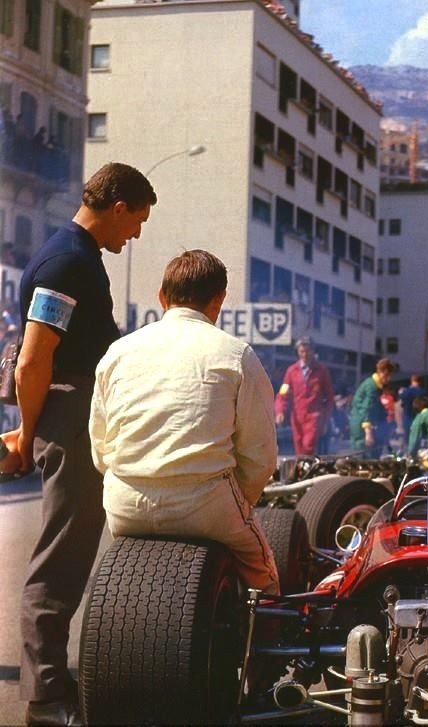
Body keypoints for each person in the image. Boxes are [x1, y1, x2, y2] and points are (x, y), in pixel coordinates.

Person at [7, 163, 156, 727]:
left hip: (76, 416)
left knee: (71, 557)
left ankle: (53, 679)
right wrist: (26, 431)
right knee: (60, 561)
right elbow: (32, 359)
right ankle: (45, 698)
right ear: (118, 206)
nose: (136, 234)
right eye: (137, 221)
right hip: (68, 420)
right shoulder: (67, 261)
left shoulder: (78, 256)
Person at [90, 249, 278, 593]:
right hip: (206, 505)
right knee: (261, 569)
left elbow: (100, 444)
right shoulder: (237, 354)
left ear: (161, 297)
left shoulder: (118, 351)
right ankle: (269, 635)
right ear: (218, 301)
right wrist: (241, 499)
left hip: (125, 505)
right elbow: (260, 454)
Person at [275, 338, 334, 455]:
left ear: (313, 351)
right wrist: (280, 411)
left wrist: (325, 419)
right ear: (298, 352)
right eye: (302, 351)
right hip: (297, 416)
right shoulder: (291, 371)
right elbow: (283, 393)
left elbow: (329, 397)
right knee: (299, 447)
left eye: (307, 351)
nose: (305, 354)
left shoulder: (321, 371)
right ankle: (303, 471)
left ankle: (305, 468)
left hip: (314, 416)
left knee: (308, 446)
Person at [349, 358, 397, 457]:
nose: (389, 379)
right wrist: (368, 433)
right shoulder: (371, 387)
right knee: (364, 460)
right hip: (361, 430)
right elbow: (367, 409)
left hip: (361, 426)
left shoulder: (373, 385)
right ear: (381, 372)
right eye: (388, 375)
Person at [399, 374, 426, 446]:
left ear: (411, 381)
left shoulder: (405, 392)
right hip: (419, 419)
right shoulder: (423, 392)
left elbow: (401, 406)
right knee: (418, 441)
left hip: (407, 419)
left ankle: (408, 455)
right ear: (420, 382)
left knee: (407, 441)